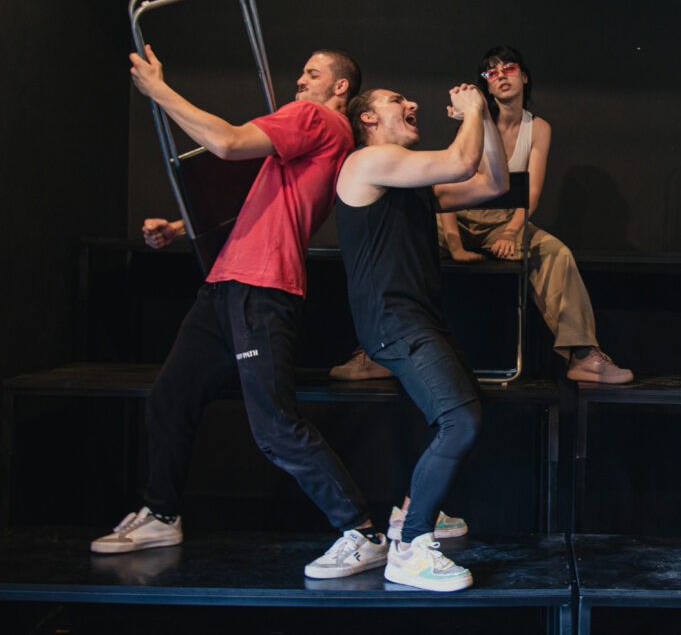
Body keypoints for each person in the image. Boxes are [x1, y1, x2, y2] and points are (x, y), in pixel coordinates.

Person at [91, 48, 390, 582]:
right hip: (226, 284)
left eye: (313, 73)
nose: (300, 81)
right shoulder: (315, 138)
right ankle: (161, 514)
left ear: (341, 87)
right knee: (172, 396)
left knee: (274, 426)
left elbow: (226, 142)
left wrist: (158, 90)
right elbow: (261, 203)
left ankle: (362, 533)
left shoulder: (316, 118)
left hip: (261, 285)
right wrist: (180, 229)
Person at [335, 82, 510, 592]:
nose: (412, 105)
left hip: (420, 319)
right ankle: (410, 547)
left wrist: (485, 120)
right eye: (397, 101)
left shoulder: (411, 183)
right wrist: (473, 110)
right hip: (394, 321)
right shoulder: (366, 162)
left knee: (465, 411)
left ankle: (411, 513)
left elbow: (494, 182)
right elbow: (460, 161)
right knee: (460, 421)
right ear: (368, 119)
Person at [438, 45, 633, 384]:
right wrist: (455, 245)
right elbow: (448, 185)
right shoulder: (475, 122)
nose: (501, 76)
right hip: (458, 219)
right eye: (491, 73)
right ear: (486, 87)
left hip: (504, 222)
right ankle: (379, 349)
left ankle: (584, 355)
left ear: (524, 76)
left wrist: (511, 232)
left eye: (508, 68)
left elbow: (531, 193)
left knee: (556, 254)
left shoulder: (538, 128)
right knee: (406, 236)